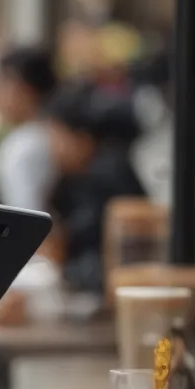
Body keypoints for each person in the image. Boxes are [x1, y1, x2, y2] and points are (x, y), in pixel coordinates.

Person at [44, 83, 147, 293]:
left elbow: (103, 257)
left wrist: (61, 254)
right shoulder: (73, 177)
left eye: (57, 137)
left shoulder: (107, 175)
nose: (51, 148)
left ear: (83, 139)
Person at [0, 46, 59, 212]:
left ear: (26, 90)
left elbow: (26, 217)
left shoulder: (25, 145)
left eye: (3, 83)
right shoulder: (48, 133)